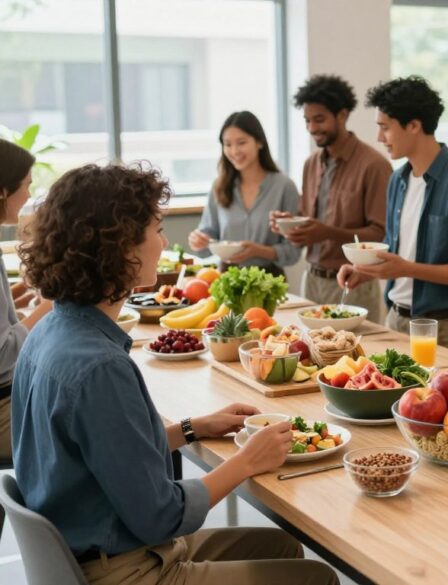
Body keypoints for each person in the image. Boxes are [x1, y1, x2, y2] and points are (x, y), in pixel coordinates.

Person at [12, 163, 339, 584]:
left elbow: (103, 453)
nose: (165, 241)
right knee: (316, 578)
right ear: (120, 248)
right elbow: (161, 515)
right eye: (157, 229)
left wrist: (191, 428)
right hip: (125, 567)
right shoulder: (100, 369)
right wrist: (245, 462)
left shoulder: (50, 333)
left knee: (282, 547)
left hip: (92, 546)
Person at [339, 76, 448, 354]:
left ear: (414, 125)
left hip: (444, 329)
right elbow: (397, 252)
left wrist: (406, 268)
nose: (379, 138)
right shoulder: (397, 180)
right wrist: (364, 271)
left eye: (384, 128)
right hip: (395, 320)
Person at [271, 74, 391, 323]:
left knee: (355, 358)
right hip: (312, 279)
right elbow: (310, 221)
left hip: (352, 282)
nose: (312, 128)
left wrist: (325, 232)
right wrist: (289, 225)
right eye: (307, 120)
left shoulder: (375, 165)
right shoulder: (311, 164)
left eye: (319, 119)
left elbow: (381, 235)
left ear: (342, 115)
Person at [189, 111, 300, 278]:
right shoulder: (219, 187)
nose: (234, 151)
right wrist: (198, 241)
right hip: (227, 278)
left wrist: (258, 251)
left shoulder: (284, 186)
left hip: (270, 280)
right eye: (227, 144)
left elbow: (292, 252)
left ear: (259, 142)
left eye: (241, 143)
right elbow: (207, 242)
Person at [0, 139, 53, 461]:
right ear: (3, 191)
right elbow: (4, 353)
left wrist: (21, 292)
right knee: (103, 424)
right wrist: (51, 306)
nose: (29, 195)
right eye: (26, 186)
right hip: (4, 411)